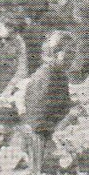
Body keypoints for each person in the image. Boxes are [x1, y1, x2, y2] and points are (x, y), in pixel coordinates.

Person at [22, 33, 72, 167]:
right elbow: (37, 116)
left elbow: (63, 104)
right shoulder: (46, 76)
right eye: (68, 52)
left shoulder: (59, 74)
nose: (72, 57)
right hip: (41, 138)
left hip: (51, 132)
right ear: (55, 53)